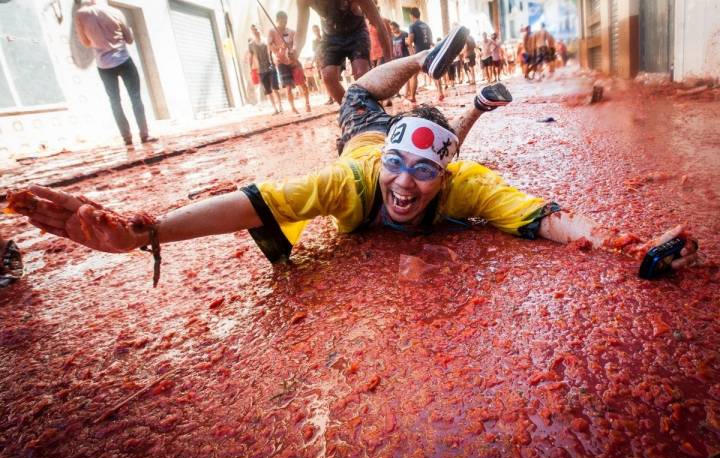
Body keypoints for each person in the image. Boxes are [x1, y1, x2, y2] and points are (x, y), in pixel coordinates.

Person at [7, 26, 699, 286]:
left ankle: (457, 105)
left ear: (447, 176)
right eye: (401, 169)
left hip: (436, 139)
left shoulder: (464, 184)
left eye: (424, 175)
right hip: (366, 125)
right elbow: (253, 202)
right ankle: (414, 60)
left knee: (440, 140)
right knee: (366, 88)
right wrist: (147, 231)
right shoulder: (356, 177)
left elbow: (548, 218)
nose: (403, 186)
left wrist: (617, 243)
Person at [74, 0, 157, 146]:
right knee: (135, 98)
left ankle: (127, 138)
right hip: (124, 60)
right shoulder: (115, 12)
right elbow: (130, 39)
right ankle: (145, 134)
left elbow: (85, 42)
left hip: (104, 65)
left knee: (114, 101)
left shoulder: (80, 15)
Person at [294, 0, 392, 105]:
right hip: (330, 36)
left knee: (361, 74)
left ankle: (373, 109)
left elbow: (378, 23)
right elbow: (301, 29)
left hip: (357, 32)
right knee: (328, 77)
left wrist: (389, 61)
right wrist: (295, 50)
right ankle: (351, 109)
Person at [268, 11, 311, 114]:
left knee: (302, 83)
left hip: (293, 60)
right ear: (277, 20)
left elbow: (297, 44)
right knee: (288, 86)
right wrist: (278, 48)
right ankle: (293, 108)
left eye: (285, 20)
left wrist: (294, 51)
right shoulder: (272, 31)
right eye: (282, 20)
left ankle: (307, 104)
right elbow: (270, 45)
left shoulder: (292, 32)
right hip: (281, 62)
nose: (284, 22)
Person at [407, 7, 443, 103]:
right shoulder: (426, 26)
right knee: (434, 73)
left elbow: (410, 40)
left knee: (413, 76)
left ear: (411, 15)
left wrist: (410, 50)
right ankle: (440, 92)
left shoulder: (412, 26)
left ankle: (413, 96)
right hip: (429, 53)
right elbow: (431, 41)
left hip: (419, 54)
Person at [248, 24, 282, 115]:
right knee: (268, 91)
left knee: (275, 87)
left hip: (271, 66)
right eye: (253, 30)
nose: (255, 30)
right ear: (251, 32)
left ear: (259, 29)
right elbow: (250, 57)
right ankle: (275, 108)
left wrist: (277, 57)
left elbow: (273, 50)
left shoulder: (266, 40)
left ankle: (280, 106)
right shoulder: (251, 45)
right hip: (261, 70)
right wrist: (251, 68)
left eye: (256, 28)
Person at [311, 24, 334, 105]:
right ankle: (330, 97)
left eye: (317, 30)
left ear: (319, 30)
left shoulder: (325, 38)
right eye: (314, 30)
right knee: (325, 80)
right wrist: (314, 63)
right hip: (320, 62)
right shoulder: (314, 42)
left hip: (328, 60)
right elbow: (316, 53)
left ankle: (332, 96)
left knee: (332, 78)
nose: (316, 31)